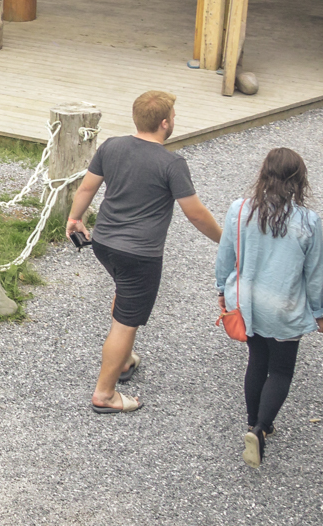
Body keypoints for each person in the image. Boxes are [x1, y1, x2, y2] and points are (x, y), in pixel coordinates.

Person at [66, 91, 221, 413]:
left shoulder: (111, 146)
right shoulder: (171, 163)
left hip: (105, 244)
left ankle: (122, 362)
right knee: (126, 322)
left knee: (124, 297)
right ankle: (105, 394)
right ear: (165, 123)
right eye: (174, 117)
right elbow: (196, 214)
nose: (174, 121)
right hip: (140, 254)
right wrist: (226, 240)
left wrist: (74, 218)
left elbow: (86, 188)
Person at [214, 147, 323, 468]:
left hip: (247, 303)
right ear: (299, 181)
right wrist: (321, 312)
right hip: (284, 307)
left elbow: (225, 257)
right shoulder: (308, 221)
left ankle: (253, 421)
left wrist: (222, 291)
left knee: (257, 360)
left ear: (263, 174)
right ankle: (261, 429)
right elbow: (315, 274)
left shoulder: (239, 210)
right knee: (280, 370)